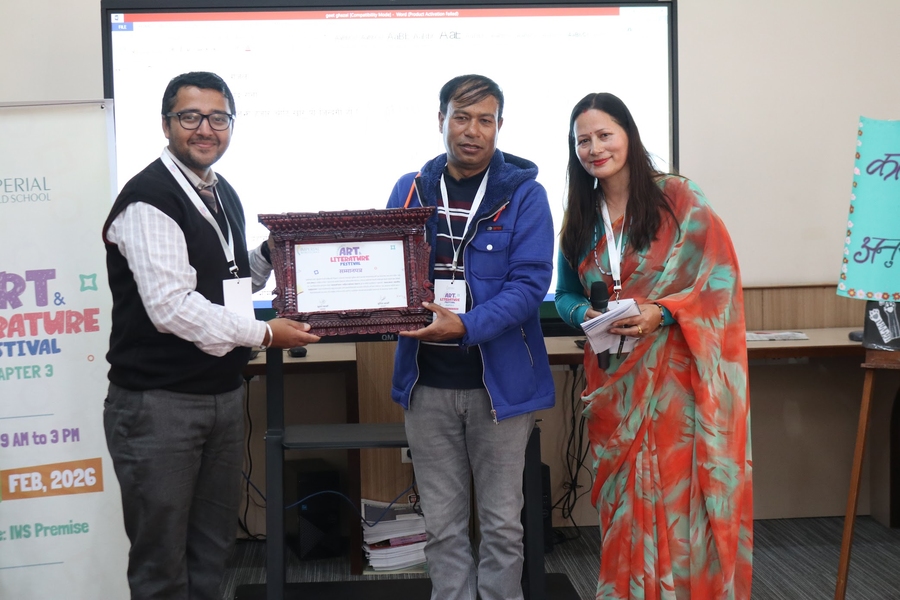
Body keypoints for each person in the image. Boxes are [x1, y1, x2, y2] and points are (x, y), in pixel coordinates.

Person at [101, 71, 319, 600]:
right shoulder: (149, 199)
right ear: (166, 125)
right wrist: (265, 334)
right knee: (161, 561)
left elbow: (228, 286)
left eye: (218, 118)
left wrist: (273, 254)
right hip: (159, 405)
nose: (205, 129)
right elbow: (172, 308)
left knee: (213, 548)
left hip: (221, 396)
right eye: (190, 117)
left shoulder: (221, 193)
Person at [555, 92, 753, 599]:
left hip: (674, 383)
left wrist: (660, 312)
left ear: (629, 135)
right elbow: (565, 294)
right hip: (614, 379)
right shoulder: (580, 215)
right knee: (624, 506)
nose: (595, 148)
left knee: (677, 500)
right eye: (583, 140)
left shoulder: (677, 198)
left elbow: (719, 280)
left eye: (605, 135)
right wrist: (583, 314)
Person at [385, 74, 555, 600]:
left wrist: (466, 325)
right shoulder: (410, 189)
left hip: (499, 388)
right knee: (442, 527)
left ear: (500, 126)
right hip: (427, 385)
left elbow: (530, 285)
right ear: (441, 120)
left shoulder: (525, 195)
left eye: (485, 120)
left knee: (502, 525)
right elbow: (386, 271)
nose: (472, 130)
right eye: (461, 117)